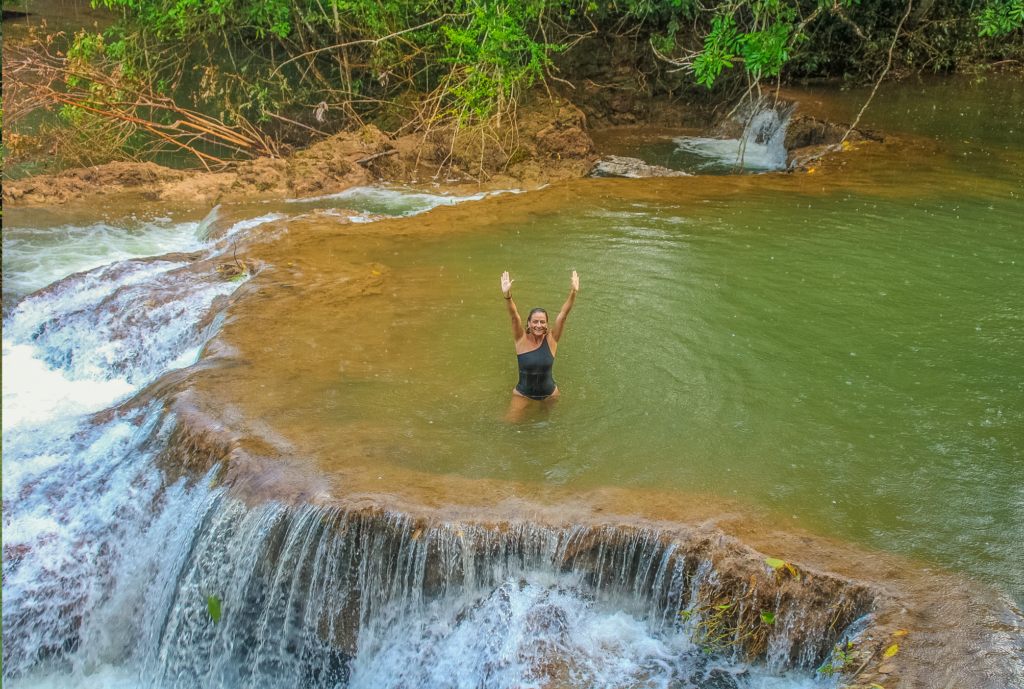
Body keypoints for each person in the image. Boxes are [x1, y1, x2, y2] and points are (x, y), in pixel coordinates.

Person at [500, 270, 579, 421]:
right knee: (508, 423)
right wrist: (507, 295)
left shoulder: (552, 339)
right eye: (535, 321)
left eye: (542, 322)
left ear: (547, 324)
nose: (538, 325)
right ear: (528, 324)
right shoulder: (520, 339)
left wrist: (573, 292)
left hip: (549, 394)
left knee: (548, 425)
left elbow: (563, 315)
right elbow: (514, 316)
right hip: (523, 394)